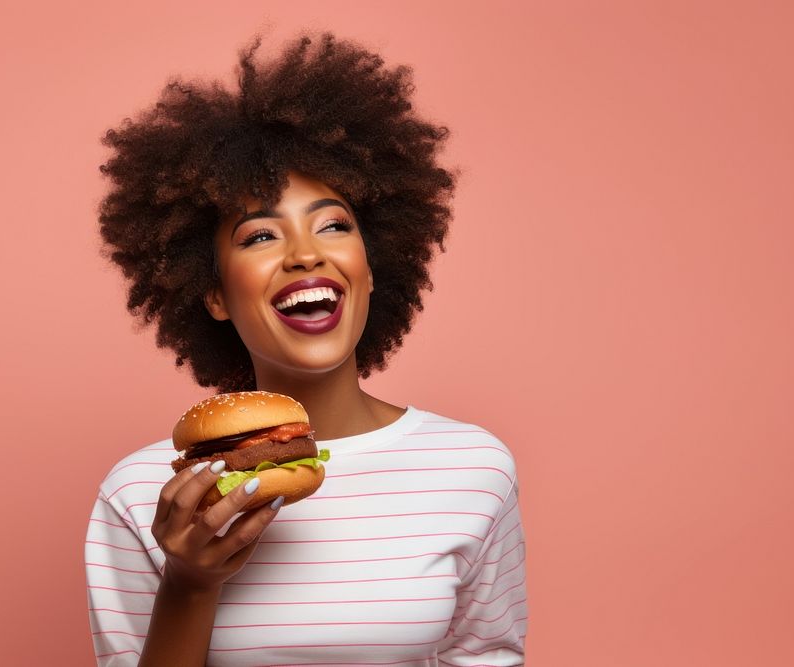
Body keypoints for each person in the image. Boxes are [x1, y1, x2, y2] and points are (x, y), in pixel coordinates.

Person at [85, 30, 528, 666]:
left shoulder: (473, 468)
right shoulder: (141, 493)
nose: (304, 253)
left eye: (333, 225)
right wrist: (189, 583)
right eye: (260, 236)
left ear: (372, 266)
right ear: (212, 294)